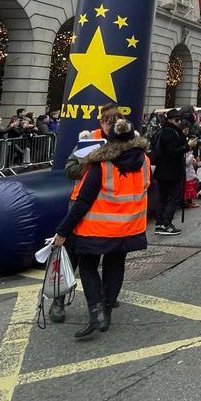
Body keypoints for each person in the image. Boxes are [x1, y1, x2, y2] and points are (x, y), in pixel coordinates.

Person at [53, 115, 150, 339]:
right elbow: (145, 186)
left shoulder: (103, 163)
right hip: (129, 226)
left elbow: (84, 201)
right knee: (115, 267)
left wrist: (62, 231)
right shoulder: (143, 160)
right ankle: (106, 312)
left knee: (87, 268)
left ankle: (96, 311)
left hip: (97, 227)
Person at [152, 108, 194, 234]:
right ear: (170, 120)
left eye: (180, 120)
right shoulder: (169, 133)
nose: (179, 122)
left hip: (163, 170)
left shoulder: (163, 131)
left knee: (163, 197)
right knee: (173, 197)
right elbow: (172, 151)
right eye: (177, 120)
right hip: (171, 171)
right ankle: (166, 223)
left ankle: (160, 223)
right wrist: (188, 146)